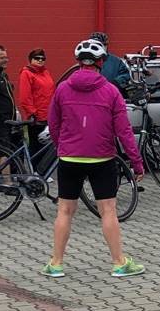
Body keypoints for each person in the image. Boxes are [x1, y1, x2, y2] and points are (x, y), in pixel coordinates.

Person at [42, 38, 146, 278]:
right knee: (108, 210)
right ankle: (119, 263)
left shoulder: (63, 88)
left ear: (78, 62)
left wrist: (62, 146)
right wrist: (136, 162)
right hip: (102, 158)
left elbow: (53, 124)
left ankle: (56, 264)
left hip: (69, 158)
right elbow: (124, 131)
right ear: (101, 62)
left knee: (65, 211)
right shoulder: (110, 91)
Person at [16, 48, 55, 164]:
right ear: (30, 60)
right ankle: (34, 169)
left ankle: (42, 170)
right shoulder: (26, 73)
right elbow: (25, 97)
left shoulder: (46, 72)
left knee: (46, 147)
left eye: (43, 58)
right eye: (37, 58)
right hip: (36, 118)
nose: (40, 60)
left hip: (48, 116)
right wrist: (32, 113)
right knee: (36, 146)